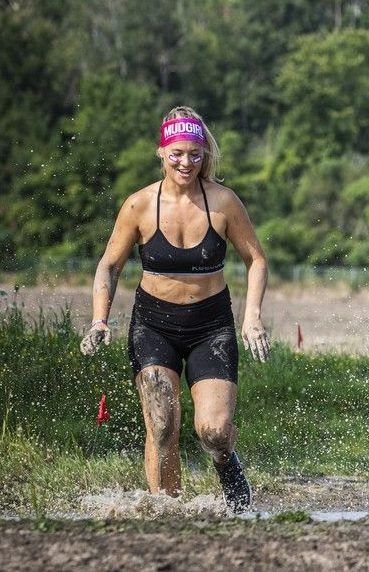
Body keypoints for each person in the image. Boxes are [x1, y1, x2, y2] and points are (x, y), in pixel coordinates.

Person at [79, 106, 270, 511]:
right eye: (177, 153)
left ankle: (225, 461)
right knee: (162, 424)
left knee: (214, 430)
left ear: (205, 154)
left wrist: (252, 317)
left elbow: (256, 260)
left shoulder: (223, 202)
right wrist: (99, 319)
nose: (186, 162)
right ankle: (167, 511)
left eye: (195, 154)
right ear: (161, 152)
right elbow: (109, 265)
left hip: (211, 327)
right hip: (154, 326)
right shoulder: (139, 205)